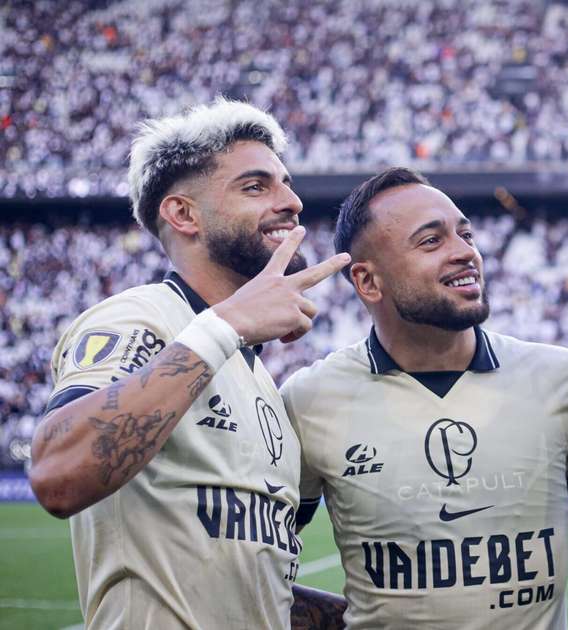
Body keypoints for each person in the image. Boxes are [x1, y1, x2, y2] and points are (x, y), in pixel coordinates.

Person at [280, 167, 568, 629]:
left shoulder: (557, 375)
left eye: (466, 234)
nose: (466, 252)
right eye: (431, 241)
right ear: (368, 281)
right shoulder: (310, 400)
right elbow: (252, 565)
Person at [29, 98, 349, 629]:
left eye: (285, 182)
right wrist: (226, 325)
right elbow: (59, 475)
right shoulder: (141, 318)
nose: (291, 201)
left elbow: (244, 579)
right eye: (255, 186)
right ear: (183, 214)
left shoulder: (257, 374)